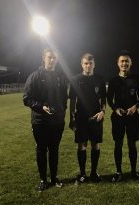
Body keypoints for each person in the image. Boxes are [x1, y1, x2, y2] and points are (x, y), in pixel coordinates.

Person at [23, 48, 68, 192]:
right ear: (44, 58)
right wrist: (41, 107)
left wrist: (62, 112)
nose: (52, 60)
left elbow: (64, 99)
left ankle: (54, 178)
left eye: (54, 57)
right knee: (41, 150)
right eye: (49, 57)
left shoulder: (60, 77)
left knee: (54, 150)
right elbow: (27, 99)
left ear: (57, 59)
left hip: (57, 121)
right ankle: (43, 180)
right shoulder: (34, 76)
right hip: (40, 121)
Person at [107, 50, 139, 182]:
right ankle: (118, 172)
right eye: (122, 61)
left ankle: (134, 172)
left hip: (132, 117)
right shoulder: (113, 80)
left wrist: (135, 107)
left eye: (126, 61)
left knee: (132, 144)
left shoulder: (136, 79)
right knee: (118, 144)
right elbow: (109, 99)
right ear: (118, 63)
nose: (124, 63)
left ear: (130, 63)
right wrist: (115, 108)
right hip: (118, 117)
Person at [69, 53, 106, 184]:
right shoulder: (75, 79)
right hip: (81, 118)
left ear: (94, 64)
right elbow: (72, 101)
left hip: (96, 117)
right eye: (85, 63)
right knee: (82, 145)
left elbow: (103, 99)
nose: (88, 66)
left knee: (95, 145)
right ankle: (82, 173)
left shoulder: (100, 79)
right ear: (82, 64)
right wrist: (72, 118)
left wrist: (103, 111)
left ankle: (94, 172)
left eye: (90, 63)